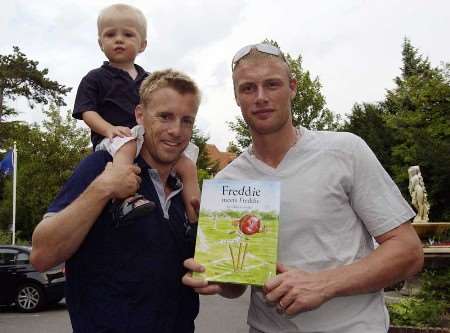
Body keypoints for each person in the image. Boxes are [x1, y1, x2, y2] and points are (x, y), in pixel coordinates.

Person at [183, 43, 424, 333]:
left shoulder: (345, 151)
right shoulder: (228, 182)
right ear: (236, 96)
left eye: (272, 85)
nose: (261, 97)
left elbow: (408, 251)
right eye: (248, 88)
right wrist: (217, 276)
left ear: (292, 88)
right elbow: (236, 286)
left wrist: (325, 284)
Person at [31, 69, 201, 332]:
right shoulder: (102, 166)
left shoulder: (187, 191)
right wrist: (103, 189)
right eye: (165, 116)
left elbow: (203, 272)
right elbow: (42, 256)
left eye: (187, 120)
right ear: (140, 116)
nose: (176, 130)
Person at [73, 3, 200, 224]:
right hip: (115, 140)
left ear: (142, 45)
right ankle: (126, 199)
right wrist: (109, 129)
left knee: (187, 165)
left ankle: (196, 217)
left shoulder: (150, 80)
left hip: (146, 139)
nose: (119, 39)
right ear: (100, 42)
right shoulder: (95, 78)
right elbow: (87, 111)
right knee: (128, 144)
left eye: (128, 34)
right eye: (110, 34)